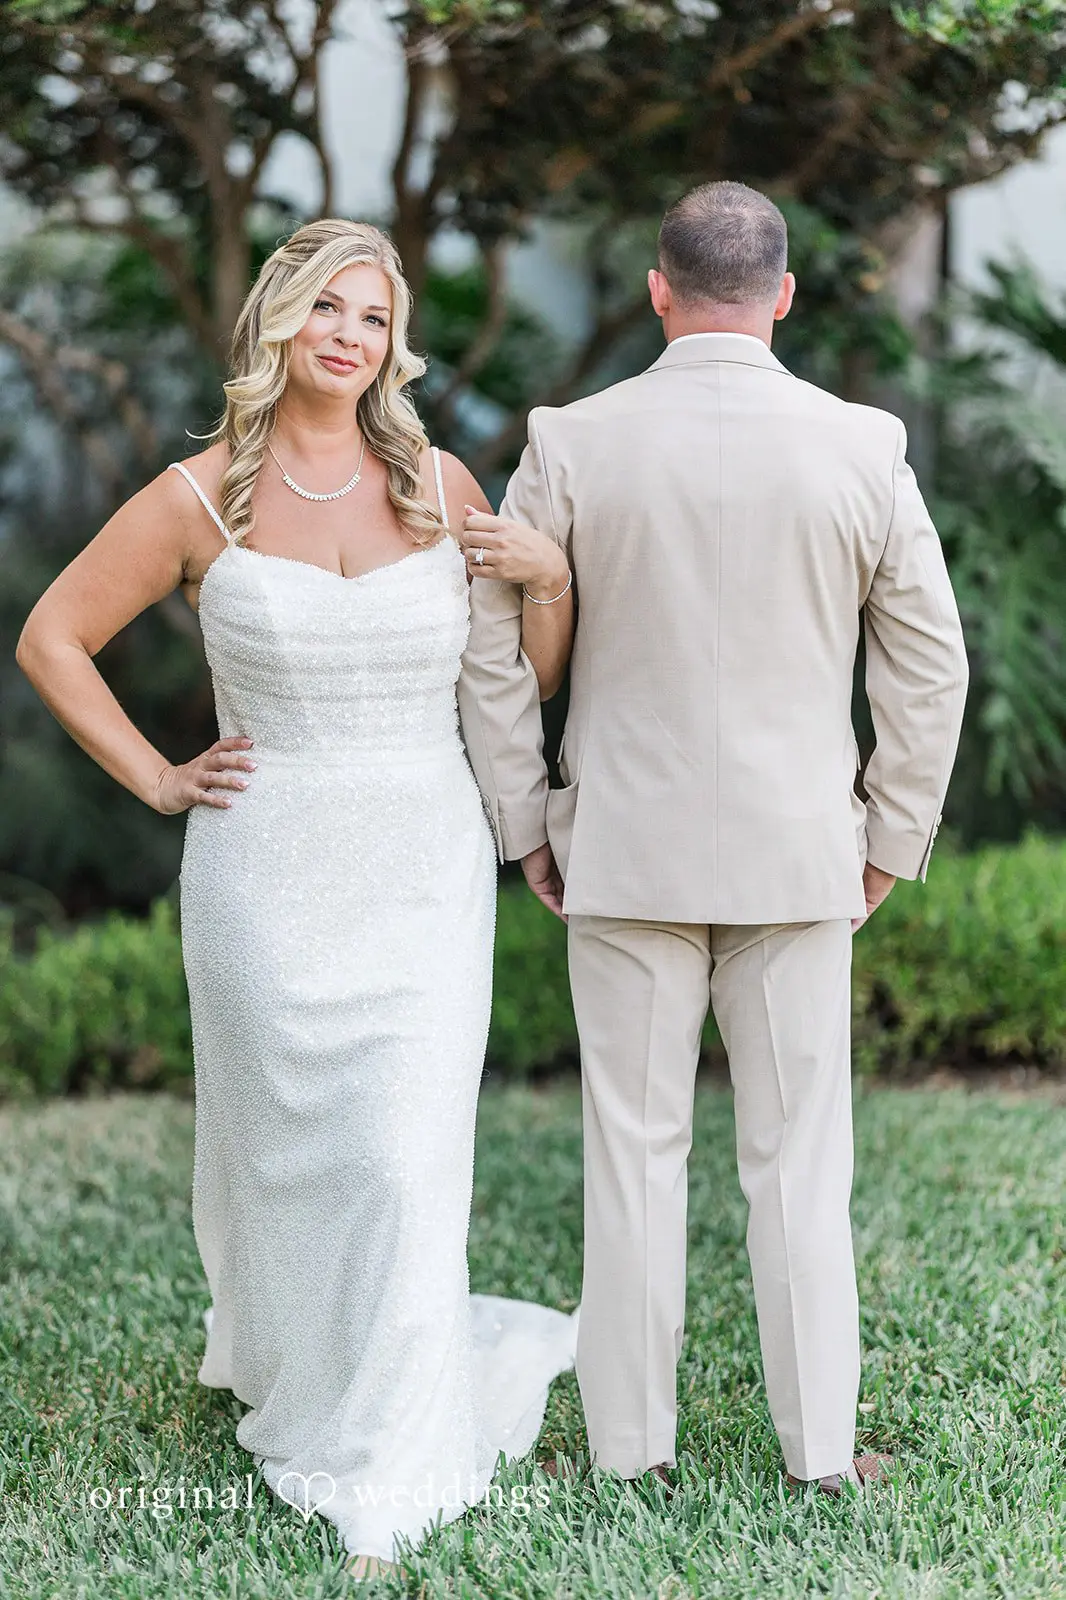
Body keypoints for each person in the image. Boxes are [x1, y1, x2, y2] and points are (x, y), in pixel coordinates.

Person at [15, 219, 579, 1579]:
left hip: (422, 861)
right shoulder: (195, 498)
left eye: (374, 318)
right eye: (329, 307)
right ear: (281, 320)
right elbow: (52, 637)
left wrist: (550, 582)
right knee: (292, 1157)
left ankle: (389, 1449)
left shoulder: (440, 483)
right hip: (265, 868)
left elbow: (525, 679)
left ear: (394, 346)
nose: (349, 336)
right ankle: (303, 1372)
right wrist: (159, 777)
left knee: (399, 1155)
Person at [458, 181, 969, 1497]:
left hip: (620, 850)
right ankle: (818, 1455)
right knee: (800, 1166)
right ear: (783, 294)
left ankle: (629, 1456)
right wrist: (887, 836)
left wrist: (524, 818)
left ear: (657, 290)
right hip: (800, 857)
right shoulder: (862, 445)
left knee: (632, 1158)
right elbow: (929, 665)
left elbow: (492, 647)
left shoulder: (572, 441)